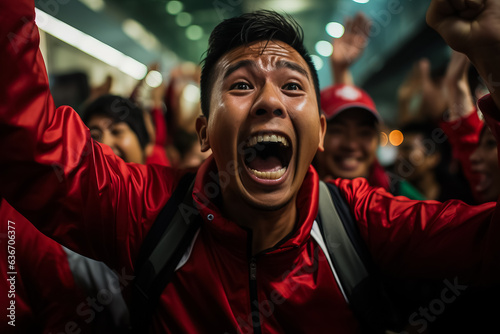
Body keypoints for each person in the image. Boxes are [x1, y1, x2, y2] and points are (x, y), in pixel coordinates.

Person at [1, 2, 500, 334]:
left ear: (319, 132)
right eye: (240, 86)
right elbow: (30, 144)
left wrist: (495, 57)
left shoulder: (365, 226)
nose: (269, 101)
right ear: (203, 134)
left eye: (292, 86)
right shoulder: (147, 212)